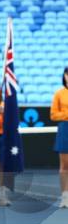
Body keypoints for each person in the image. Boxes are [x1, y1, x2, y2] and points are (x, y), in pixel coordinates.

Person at [51, 67, 68, 208]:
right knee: (64, 165)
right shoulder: (59, 94)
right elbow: (53, 115)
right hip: (64, 129)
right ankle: (65, 196)